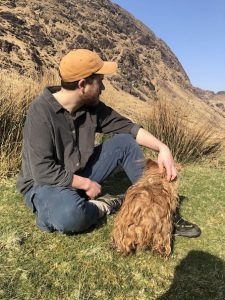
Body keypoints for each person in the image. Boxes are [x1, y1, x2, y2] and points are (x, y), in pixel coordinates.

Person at [16, 49, 201, 237]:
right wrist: (87, 184)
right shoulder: (40, 112)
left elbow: (129, 128)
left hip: (78, 170)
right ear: (83, 85)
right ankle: (103, 206)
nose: (103, 88)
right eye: (100, 82)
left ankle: (161, 211)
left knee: (125, 142)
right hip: (45, 184)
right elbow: (42, 171)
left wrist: (163, 147)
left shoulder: (92, 108)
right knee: (70, 216)